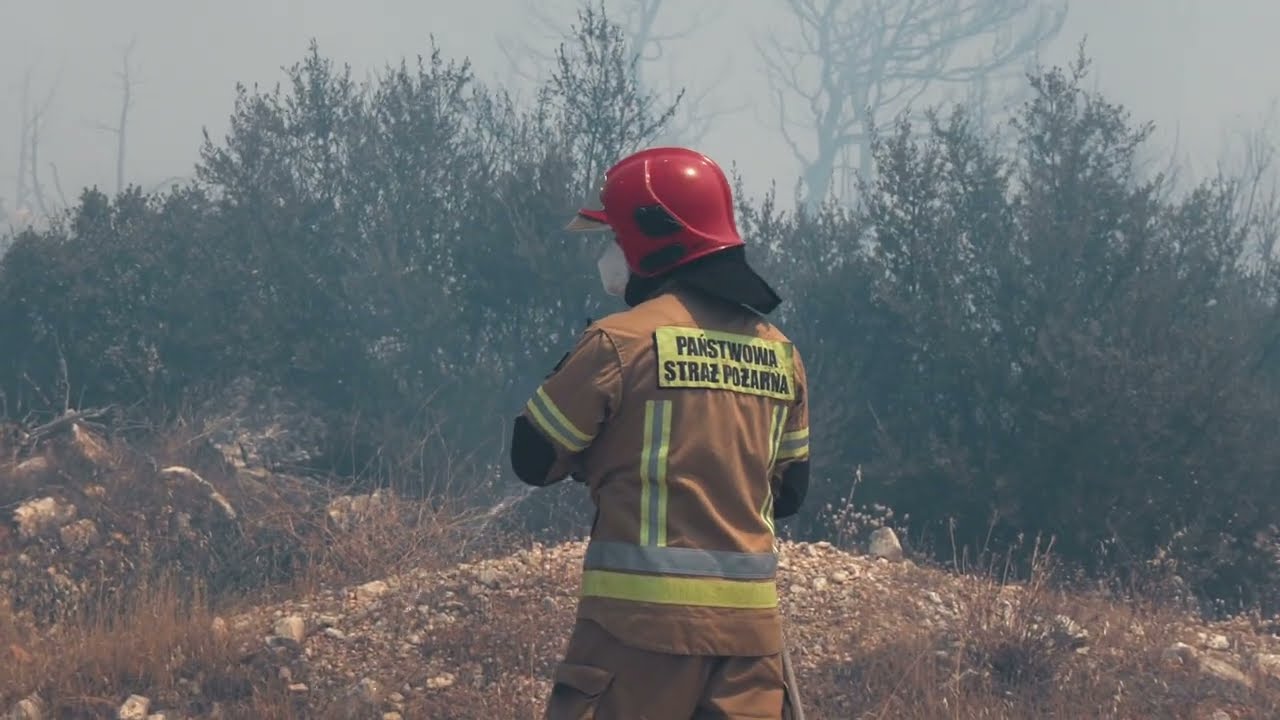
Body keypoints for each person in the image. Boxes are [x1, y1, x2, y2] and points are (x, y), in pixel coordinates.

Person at [510, 146, 811, 719]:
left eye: (614, 239)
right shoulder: (780, 354)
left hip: (635, 639)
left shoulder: (618, 342)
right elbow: (791, 493)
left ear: (650, 242)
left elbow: (533, 458)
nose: (608, 255)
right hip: (750, 647)